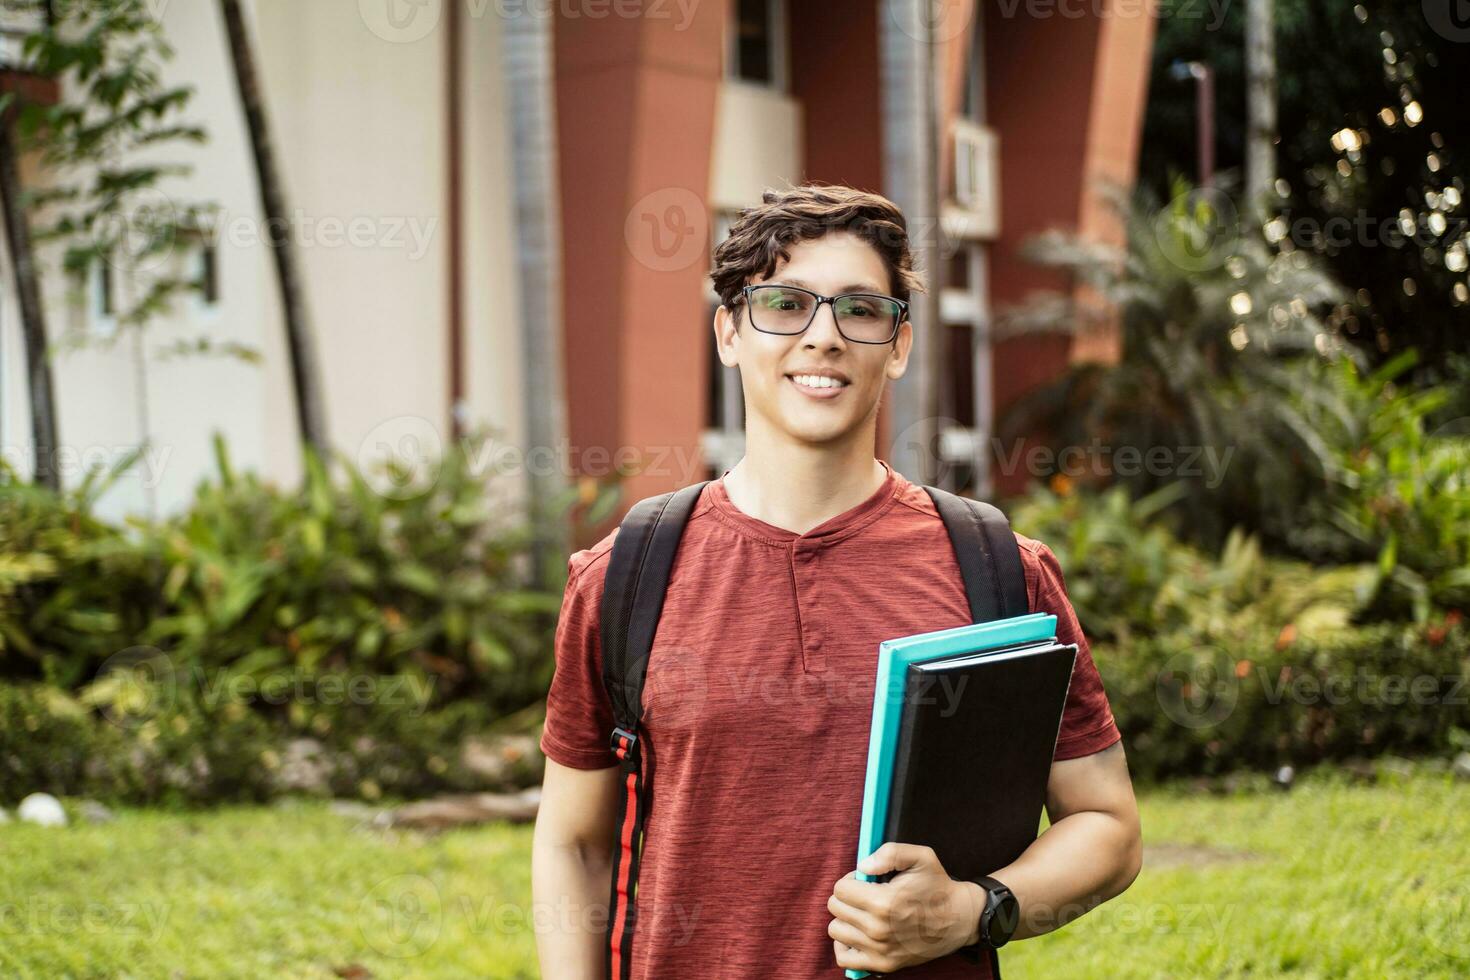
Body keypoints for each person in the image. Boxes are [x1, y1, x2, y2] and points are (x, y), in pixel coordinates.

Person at [532, 183, 1141, 978]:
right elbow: (574, 844)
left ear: (899, 345)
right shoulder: (627, 576)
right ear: (729, 332)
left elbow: (1108, 827)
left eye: (859, 310)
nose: (823, 337)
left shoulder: (995, 568)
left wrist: (973, 909)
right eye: (785, 304)